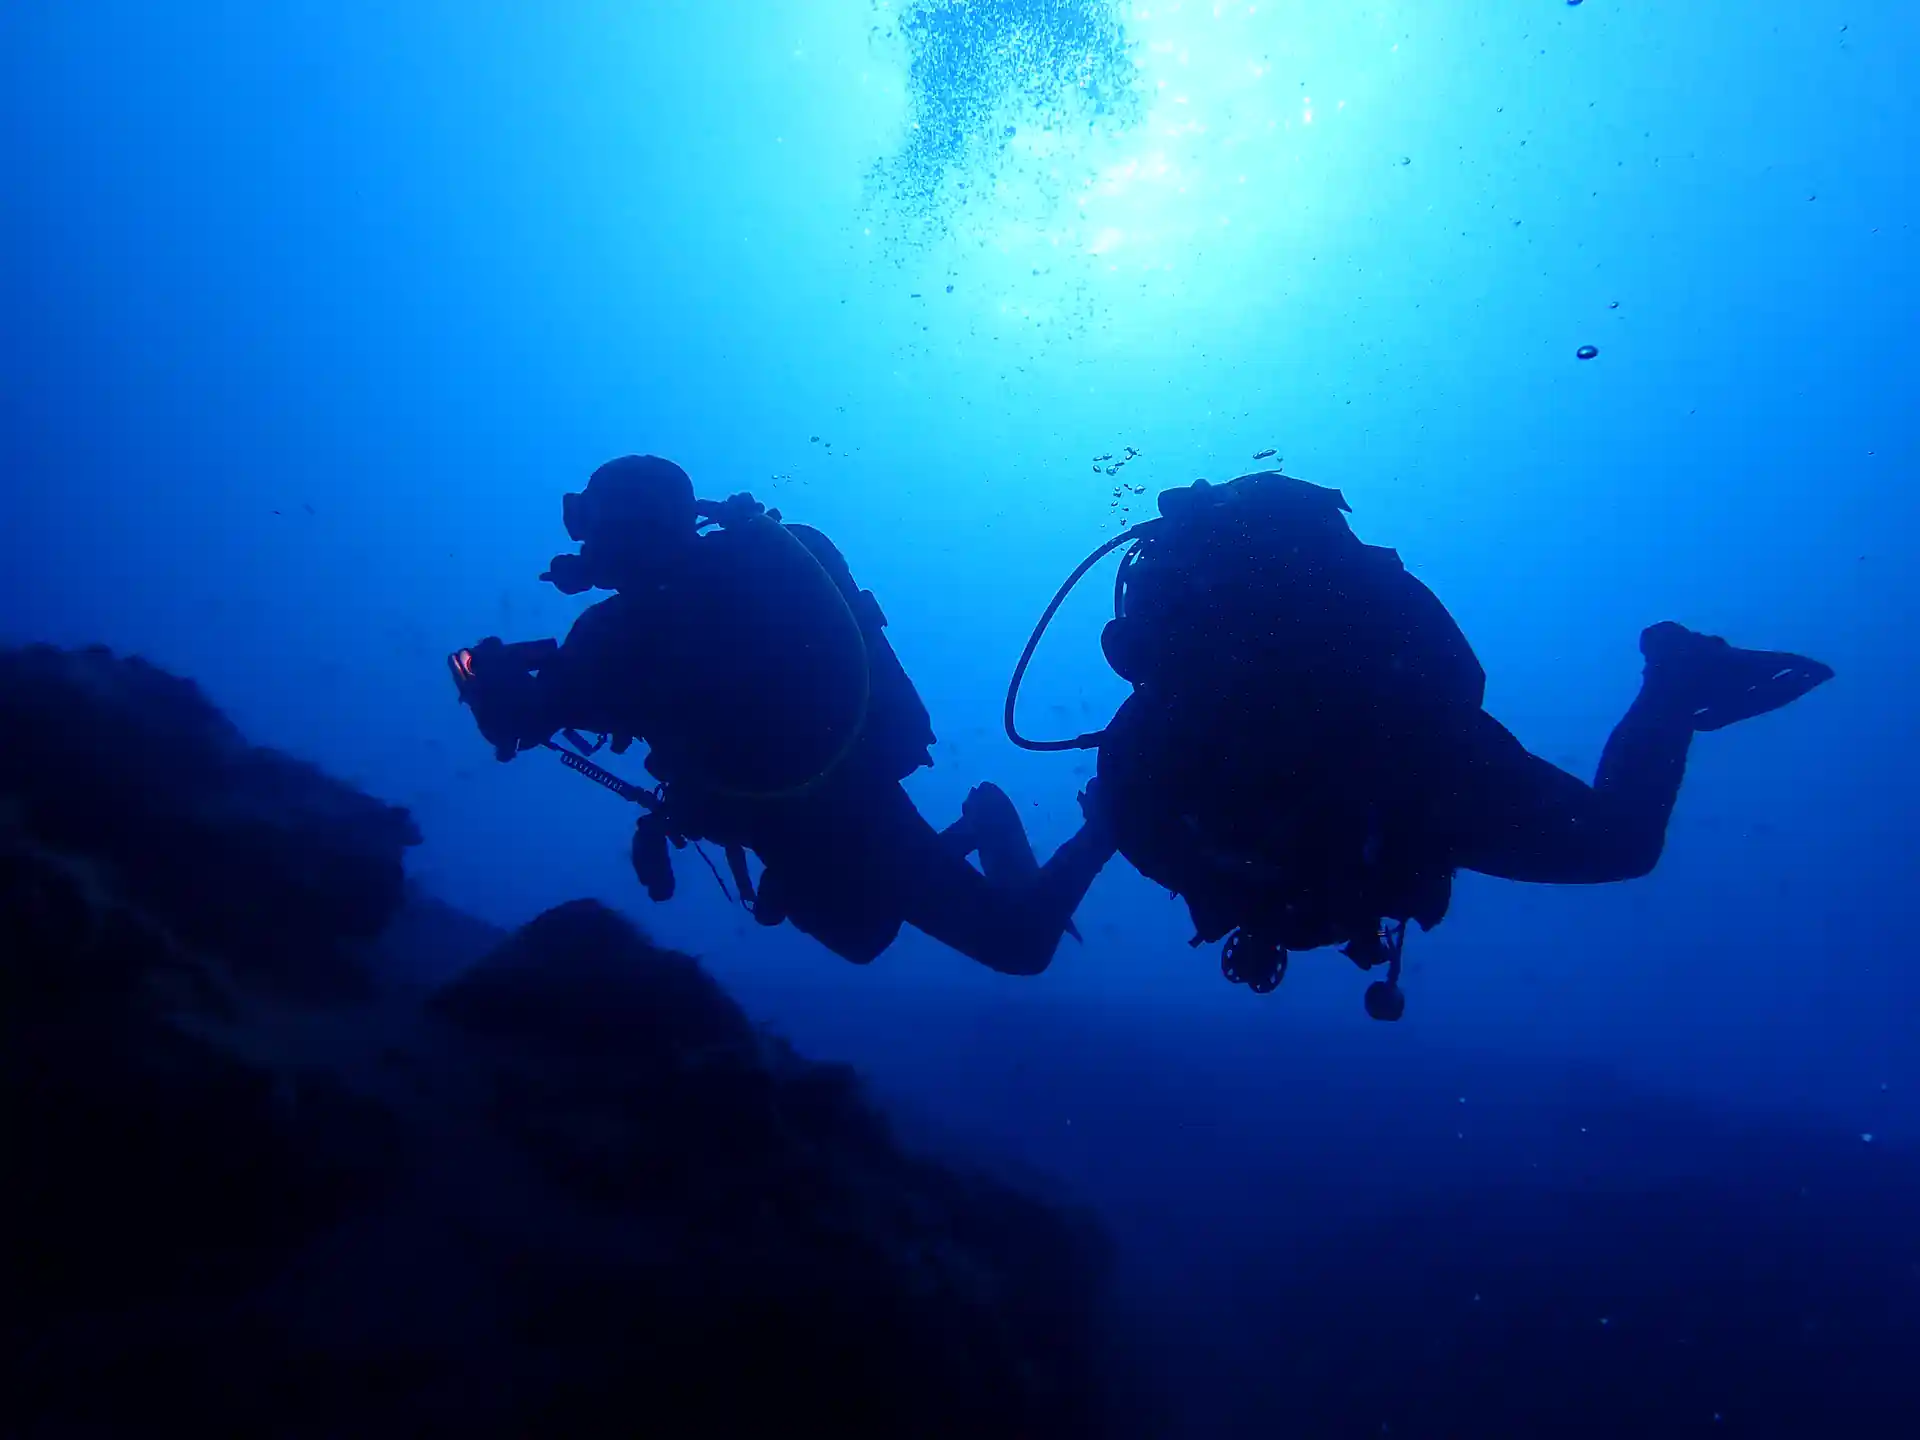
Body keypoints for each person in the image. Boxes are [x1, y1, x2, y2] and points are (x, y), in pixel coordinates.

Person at [1007, 469, 1833, 1018]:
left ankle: (1677, 677)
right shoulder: (1156, 761)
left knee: (1621, 845)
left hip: (1409, 777)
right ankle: (1676, 677)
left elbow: (1146, 830)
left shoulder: (1152, 758)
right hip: (1412, 779)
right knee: (1620, 842)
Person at [452, 454, 1113, 975]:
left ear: (620, 530)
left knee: (1017, 947)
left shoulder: (617, 635)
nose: (583, 542)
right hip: (841, 793)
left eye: (590, 523)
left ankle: (1103, 825)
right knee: (862, 935)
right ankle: (978, 827)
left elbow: (518, 726)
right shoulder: (760, 563)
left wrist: (481, 680)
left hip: (834, 814)